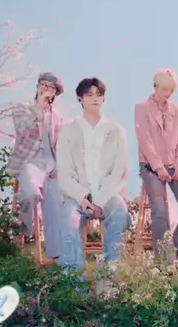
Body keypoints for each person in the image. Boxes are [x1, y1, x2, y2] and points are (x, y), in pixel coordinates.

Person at [55, 78, 131, 278]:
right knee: (68, 219)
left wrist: (100, 201)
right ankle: (74, 281)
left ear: (104, 99)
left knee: (119, 213)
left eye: (99, 94)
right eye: (89, 94)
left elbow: (118, 172)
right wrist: (82, 197)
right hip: (77, 196)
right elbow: (64, 172)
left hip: (108, 194)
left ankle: (110, 275)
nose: (95, 98)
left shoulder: (116, 131)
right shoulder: (68, 130)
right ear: (80, 99)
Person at [7, 72, 65, 258]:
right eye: (43, 85)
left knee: (55, 202)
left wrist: (59, 166)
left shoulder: (56, 116)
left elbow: (59, 143)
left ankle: (55, 255)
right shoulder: (22, 108)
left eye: (51, 87)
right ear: (38, 86)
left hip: (50, 164)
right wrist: (38, 109)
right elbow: (22, 130)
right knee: (31, 194)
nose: (46, 89)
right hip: (29, 161)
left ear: (55, 93)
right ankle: (27, 229)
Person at [134, 69, 178, 260]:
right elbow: (144, 140)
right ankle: (164, 260)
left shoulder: (176, 111)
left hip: (173, 165)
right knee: (160, 210)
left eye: (171, 90)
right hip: (150, 167)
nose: (168, 93)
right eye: (164, 89)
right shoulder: (141, 108)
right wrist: (158, 167)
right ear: (155, 87)